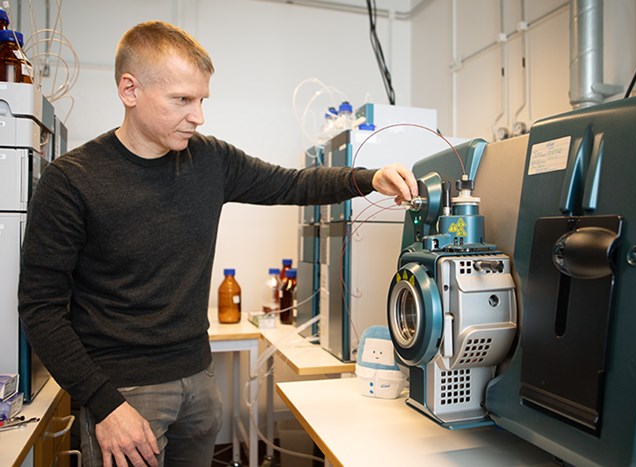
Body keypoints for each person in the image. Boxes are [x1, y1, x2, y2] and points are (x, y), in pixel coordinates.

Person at [17, 20, 417, 467]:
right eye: (182, 100)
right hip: (124, 395)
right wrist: (103, 403)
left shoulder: (210, 159)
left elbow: (293, 184)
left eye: (202, 99)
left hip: (199, 382)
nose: (198, 116)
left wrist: (369, 179)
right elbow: (40, 307)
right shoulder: (72, 180)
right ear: (130, 91)